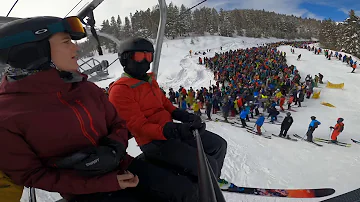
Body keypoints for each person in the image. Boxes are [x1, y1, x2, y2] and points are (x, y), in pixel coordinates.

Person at [0, 17, 198, 202]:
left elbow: (118, 123)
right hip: (83, 189)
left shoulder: (85, 88)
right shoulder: (8, 115)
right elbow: (30, 174)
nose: (76, 48)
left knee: (186, 191)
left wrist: (114, 146)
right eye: (66, 42)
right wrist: (102, 179)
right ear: (34, 52)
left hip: (123, 166)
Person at [108, 37, 229, 189]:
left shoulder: (149, 81)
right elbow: (138, 126)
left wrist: (183, 115)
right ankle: (201, 186)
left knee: (218, 145)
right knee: (207, 164)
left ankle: (209, 180)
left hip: (169, 132)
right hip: (154, 143)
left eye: (149, 56)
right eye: (140, 56)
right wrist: (173, 130)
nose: (145, 61)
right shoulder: (120, 90)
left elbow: (164, 104)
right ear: (125, 59)